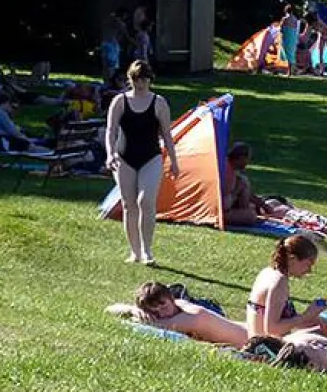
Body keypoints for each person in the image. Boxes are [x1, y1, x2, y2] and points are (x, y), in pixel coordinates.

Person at [104, 61, 178, 265]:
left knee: (145, 200)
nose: (141, 84)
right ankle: (134, 252)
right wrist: (110, 154)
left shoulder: (159, 102)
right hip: (124, 157)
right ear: (131, 79)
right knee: (129, 205)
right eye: (137, 79)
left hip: (151, 157)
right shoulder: (120, 101)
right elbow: (111, 130)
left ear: (150, 79)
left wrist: (174, 160)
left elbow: (167, 134)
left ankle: (147, 250)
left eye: (144, 79)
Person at [246, 235, 327, 340]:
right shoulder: (279, 282)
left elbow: (283, 320)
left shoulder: (269, 272)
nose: (309, 270)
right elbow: (271, 328)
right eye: (308, 264)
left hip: (261, 342)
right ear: (293, 259)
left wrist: (315, 319)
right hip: (269, 348)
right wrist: (305, 316)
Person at [110, 281, 250, 345]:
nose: (162, 314)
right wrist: (133, 309)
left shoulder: (191, 317)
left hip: (253, 339)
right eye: (155, 312)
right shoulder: (179, 306)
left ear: (172, 298)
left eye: (163, 306)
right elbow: (111, 309)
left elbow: (152, 325)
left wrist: (135, 314)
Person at [223, 142, 271, 227]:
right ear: (241, 158)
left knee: (243, 181)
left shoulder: (233, 171)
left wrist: (262, 205)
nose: (248, 162)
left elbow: (248, 194)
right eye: (248, 159)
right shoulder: (226, 171)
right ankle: (243, 214)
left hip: (228, 207)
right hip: (219, 213)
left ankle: (244, 211)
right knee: (250, 216)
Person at [278, 4, 301, 76]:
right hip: (293, 37)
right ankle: (291, 71)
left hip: (286, 37)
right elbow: (296, 29)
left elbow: (281, 29)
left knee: (287, 53)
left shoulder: (284, 18)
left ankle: (290, 72)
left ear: (286, 10)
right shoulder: (295, 19)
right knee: (291, 53)